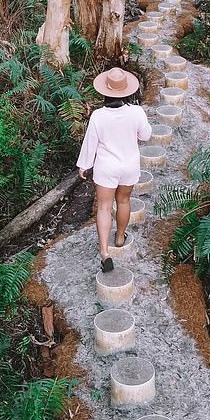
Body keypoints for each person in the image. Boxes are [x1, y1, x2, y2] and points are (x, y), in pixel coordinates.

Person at [77, 67, 152, 272]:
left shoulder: (98, 116)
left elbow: (90, 143)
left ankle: (105, 252)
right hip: (129, 165)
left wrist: (85, 166)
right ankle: (119, 237)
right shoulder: (137, 111)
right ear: (127, 91)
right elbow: (145, 135)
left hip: (106, 167)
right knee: (124, 201)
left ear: (104, 92)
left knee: (104, 207)